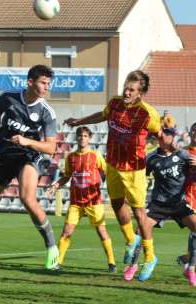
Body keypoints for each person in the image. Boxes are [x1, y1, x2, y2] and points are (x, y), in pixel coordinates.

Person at [64, 70, 161, 281]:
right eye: (126, 87)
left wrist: (163, 152)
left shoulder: (148, 113)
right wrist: (79, 121)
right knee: (117, 204)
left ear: (141, 92)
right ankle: (130, 240)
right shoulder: (115, 102)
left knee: (139, 213)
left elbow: (160, 133)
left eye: (132, 90)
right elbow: (103, 115)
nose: (126, 92)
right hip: (113, 164)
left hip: (134, 169)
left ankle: (150, 257)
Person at [0, 64, 59, 271]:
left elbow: (51, 147)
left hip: (30, 155)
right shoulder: (7, 98)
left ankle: (52, 248)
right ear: (30, 82)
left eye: (49, 83)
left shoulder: (47, 112)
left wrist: (27, 142)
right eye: (43, 83)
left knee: (27, 198)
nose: (47, 87)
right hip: (5, 155)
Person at [128, 128, 196, 287]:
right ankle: (133, 265)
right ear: (160, 140)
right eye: (166, 136)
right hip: (158, 204)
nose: (170, 139)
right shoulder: (151, 158)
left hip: (178, 203)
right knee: (140, 230)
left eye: (171, 136)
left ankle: (190, 269)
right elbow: (140, 177)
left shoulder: (182, 155)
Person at [47, 126, 116, 272]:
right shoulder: (71, 157)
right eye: (80, 136)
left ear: (89, 138)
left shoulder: (96, 156)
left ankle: (111, 263)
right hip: (76, 203)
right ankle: (58, 262)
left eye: (85, 136)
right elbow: (66, 176)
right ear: (76, 137)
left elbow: (108, 172)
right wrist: (55, 186)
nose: (82, 138)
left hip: (94, 201)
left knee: (102, 232)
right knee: (66, 232)